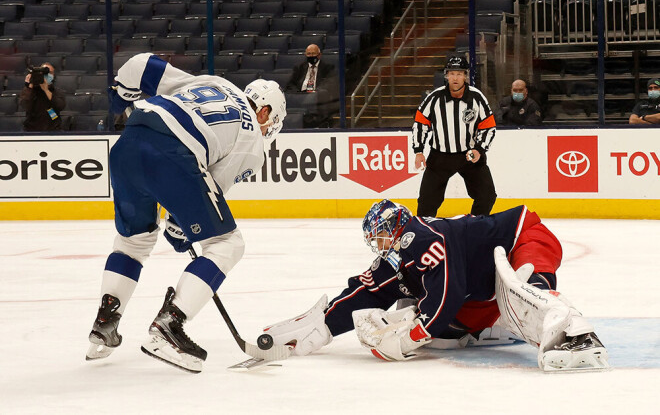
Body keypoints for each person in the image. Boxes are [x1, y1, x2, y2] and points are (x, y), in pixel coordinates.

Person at [85, 53, 286, 373]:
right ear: (263, 110)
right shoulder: (253, 143)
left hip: (128, 143)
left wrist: (120, 94)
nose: (269, 128)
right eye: (272, 119)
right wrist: (181, 226)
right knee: (226, 244)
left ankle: (106, 320)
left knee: (133, 242)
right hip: (173, 154)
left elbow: (142, 65)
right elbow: (210, 189)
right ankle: (170, 324)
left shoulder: (214, 82)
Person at [261, 200, 609, 372]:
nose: (379, 245)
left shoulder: (423, 238)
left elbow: (449, 290)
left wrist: (416, 333)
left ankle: (574, 332)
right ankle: (492, 327)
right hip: (481, 287)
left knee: (522, 285)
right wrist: (323, 324)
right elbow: (362, 292)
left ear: (397, 227)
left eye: (381, 236)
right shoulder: (395, 257)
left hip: (521, 237)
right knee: (444, 337)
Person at [412, 54, 497, 218]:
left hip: (469, 155)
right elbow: (420, 123)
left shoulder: (477, 98)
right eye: (451, 73)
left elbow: (488, 127)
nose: (455, 77)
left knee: (487, 195)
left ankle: (475, 228)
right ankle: (424, 234)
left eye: (459, 73)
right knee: (426, 202)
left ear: (465, 76)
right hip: (440, 157)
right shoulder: (434, 98)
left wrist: (479, 149)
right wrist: (419, 150)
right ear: (446, 75)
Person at [285, 43, 338, 128]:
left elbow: (330, 84)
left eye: (313, 54)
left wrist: (316, 92)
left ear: (319, 55)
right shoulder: (300, 68)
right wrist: (299, 94)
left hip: (317, 98)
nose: (311, 56)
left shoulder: (327, 68)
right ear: (305, 55)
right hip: (301, 98)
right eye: (309, 54)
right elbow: (290, 84)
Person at [19, 62, 66, 132]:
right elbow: (25, 106)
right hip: (32, 131)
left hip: (53, 130)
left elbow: (60, 106)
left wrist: (46, 90)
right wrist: (30, 85)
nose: (47, 75)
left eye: (49, 72)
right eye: (44, 72)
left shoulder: (57, 92)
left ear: (53, 75)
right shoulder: (30, 91)